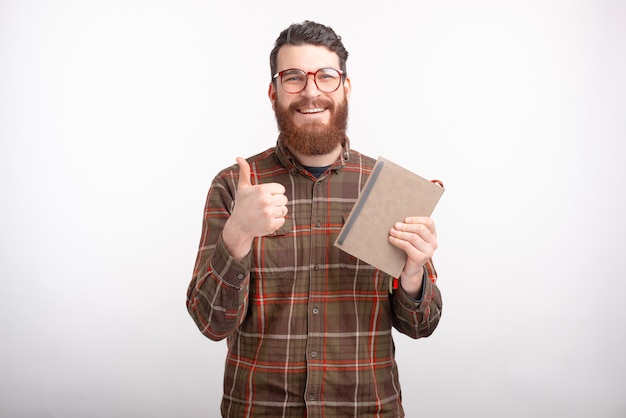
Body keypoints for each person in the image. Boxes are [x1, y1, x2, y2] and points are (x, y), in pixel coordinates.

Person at [186, 20, 443, 417]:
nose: (311, 92)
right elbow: (210, 323)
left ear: (346, 88)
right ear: (273, 93)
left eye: (326, 76)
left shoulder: (386, 189)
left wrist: (412, 275)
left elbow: (420, 326)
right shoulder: (234, 188)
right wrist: (236, 235)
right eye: (293, 78)